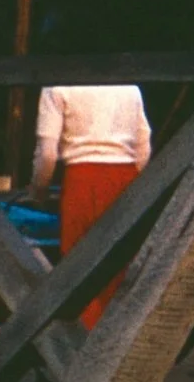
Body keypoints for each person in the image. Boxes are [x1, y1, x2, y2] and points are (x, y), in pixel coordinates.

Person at [34, 82, 153, 328]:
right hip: (126, 178)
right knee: (123, 268)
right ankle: (120, 345)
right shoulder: (130, 87)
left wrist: (39, 190)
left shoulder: (57, 87)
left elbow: (47, 154)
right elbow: (144, 146)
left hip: (82, 178)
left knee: (80, 271)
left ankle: (83, 348)